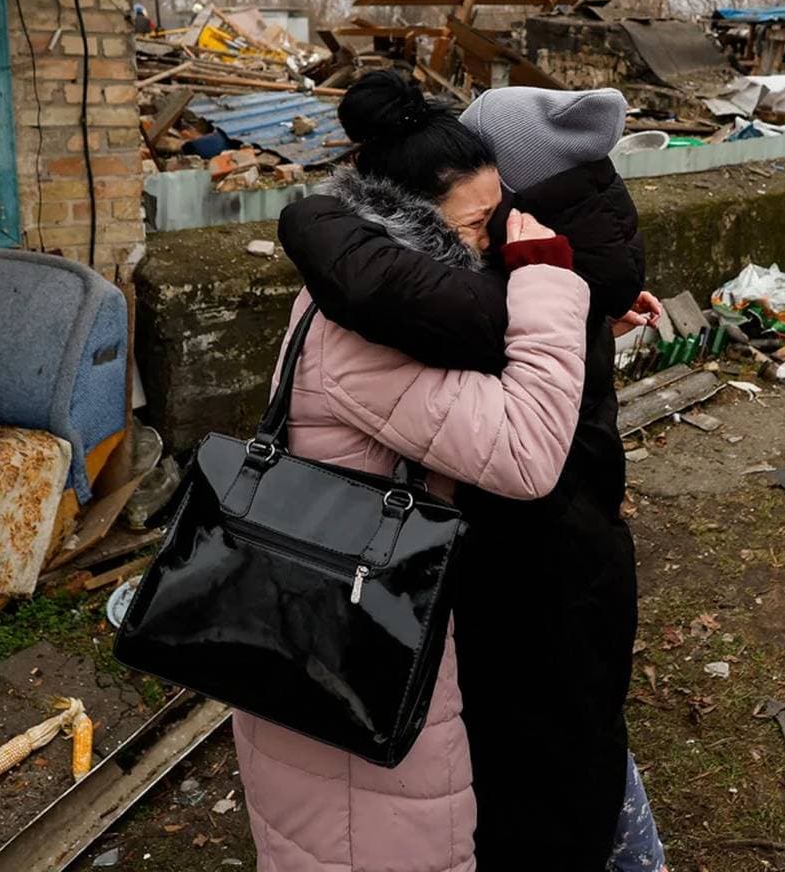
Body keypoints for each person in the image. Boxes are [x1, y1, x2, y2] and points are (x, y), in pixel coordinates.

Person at [280, 81, 662, 871]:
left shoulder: (404, 303)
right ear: (419, 221)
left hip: (387, 590)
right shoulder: (375, 335)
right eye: (476, 226)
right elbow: (524, 452)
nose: (492, 246)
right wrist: (554, 286)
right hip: (363, 612)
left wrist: (582, 317)